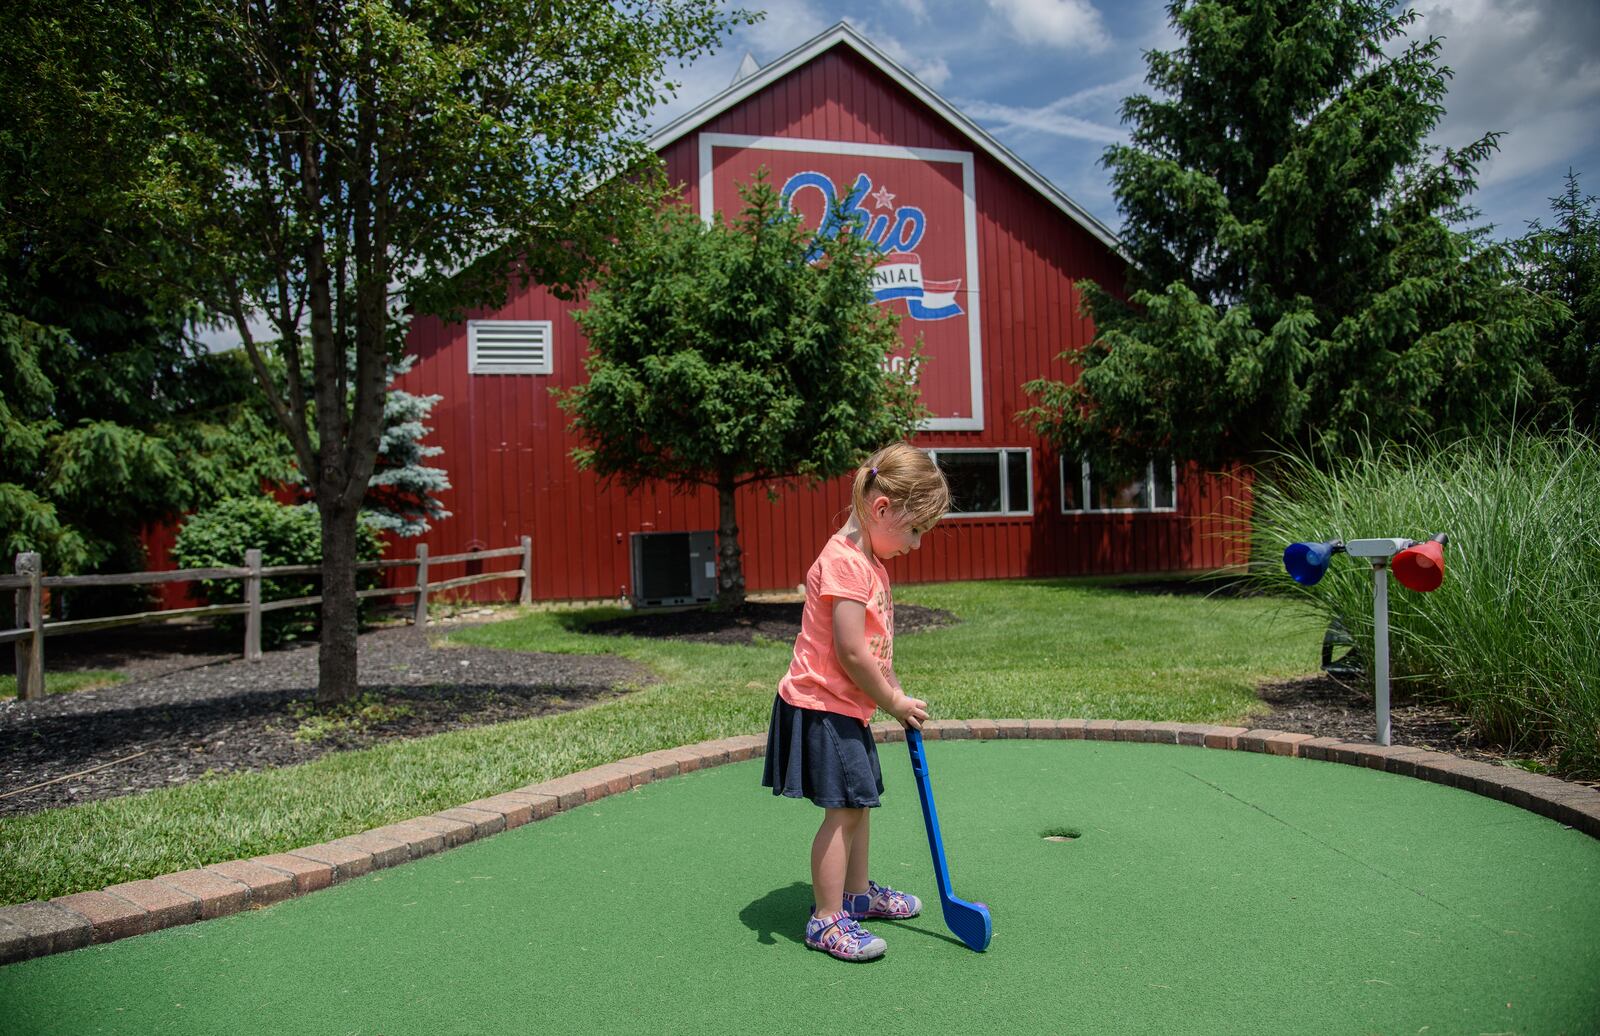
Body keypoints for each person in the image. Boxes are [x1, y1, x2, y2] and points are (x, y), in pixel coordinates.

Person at [761, 441, 951, 962]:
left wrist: (890, 689)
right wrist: (891, 699)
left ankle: (857, 896)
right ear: (882, 509)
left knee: (858, 806)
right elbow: (848, 650)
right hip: (821, 706)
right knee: (842, 812)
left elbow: (871, 645)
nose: (915, 545)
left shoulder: (867, 559)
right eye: (914, 531)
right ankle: (825, 921)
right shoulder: (845, 564)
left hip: (845, 706)